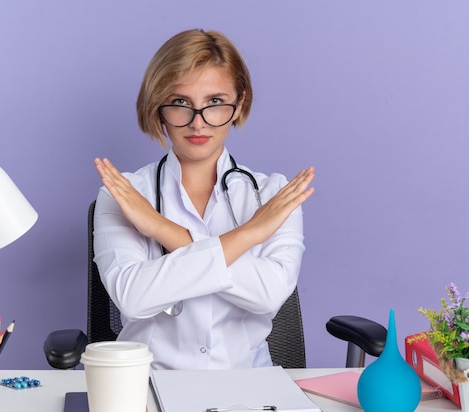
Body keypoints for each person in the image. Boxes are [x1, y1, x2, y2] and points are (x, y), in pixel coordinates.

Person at [93, 29, 315, 370]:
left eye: (214, 102)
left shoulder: (273, 195)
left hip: (248, 391)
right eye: (181, 103)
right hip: (151, 386)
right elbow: (132, 297)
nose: (198, 123)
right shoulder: (123, 194)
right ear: (158, 107)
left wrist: (163, 229)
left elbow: (268, 296)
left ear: (239, 104)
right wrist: (248, 235)